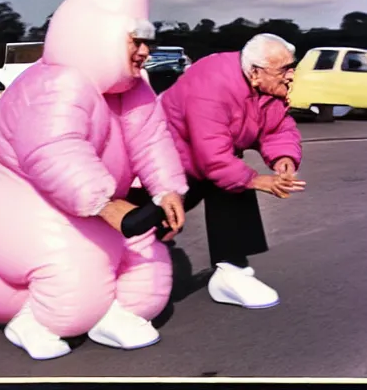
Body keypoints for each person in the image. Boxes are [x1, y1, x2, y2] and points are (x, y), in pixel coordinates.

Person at [0, 0, 188, 361]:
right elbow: (53, 151)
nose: (145, 51)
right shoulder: (58, 83)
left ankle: (111, 311)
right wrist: (105, 205)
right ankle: (33, 320)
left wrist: (167, 190)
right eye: (136, 40)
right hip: (14, 205)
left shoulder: (134, 89)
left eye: (149, 41)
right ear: (104, 35)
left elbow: (152, 139)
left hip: (79, 204)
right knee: (77, 277)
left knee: (147, 268)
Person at [127, 33, 306, 310]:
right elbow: (212, 155)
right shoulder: (212, 85)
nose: (291, 75)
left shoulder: (265, 87)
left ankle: (232, 271)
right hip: (166, 160)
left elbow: (277, 127)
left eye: (292, 66)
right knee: (141, 224)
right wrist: (255, 179)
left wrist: (284, 157)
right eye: (284, 69)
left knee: (235, 183)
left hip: (198, 160)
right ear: (256, 72)